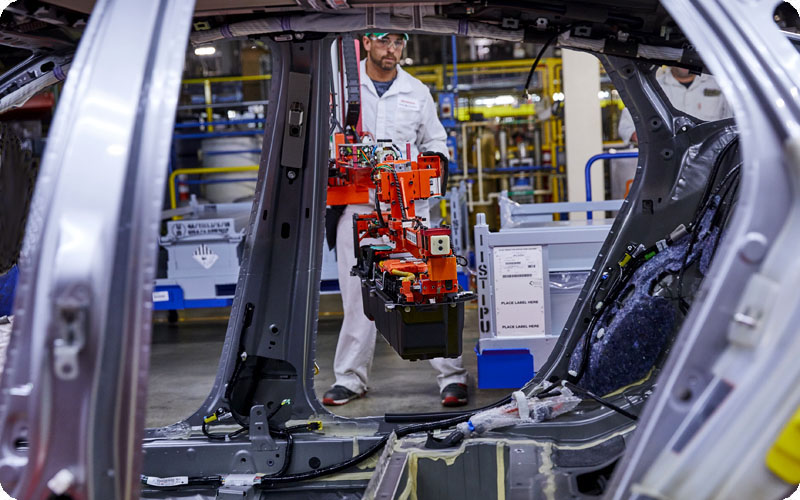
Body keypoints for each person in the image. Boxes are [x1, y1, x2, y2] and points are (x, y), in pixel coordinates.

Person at [323, 32, 469, 407]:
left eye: (398, 43)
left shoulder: (416, 90)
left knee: (430, 285)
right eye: (385, 42)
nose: (392, 50)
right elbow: (325, 138)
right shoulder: (343, 88)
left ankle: (451, 376)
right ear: (367, 43)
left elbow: (436, 141)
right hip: (359, 205)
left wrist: (429, 166)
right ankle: (350, 378)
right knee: (356, 294)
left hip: (409, 207)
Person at [618, 66, 733, 145]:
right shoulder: (651, 87)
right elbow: (626, 127)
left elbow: (734, 123)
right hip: (669, 162)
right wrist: (644, 137)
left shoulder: (720, 86)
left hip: (712, 159)